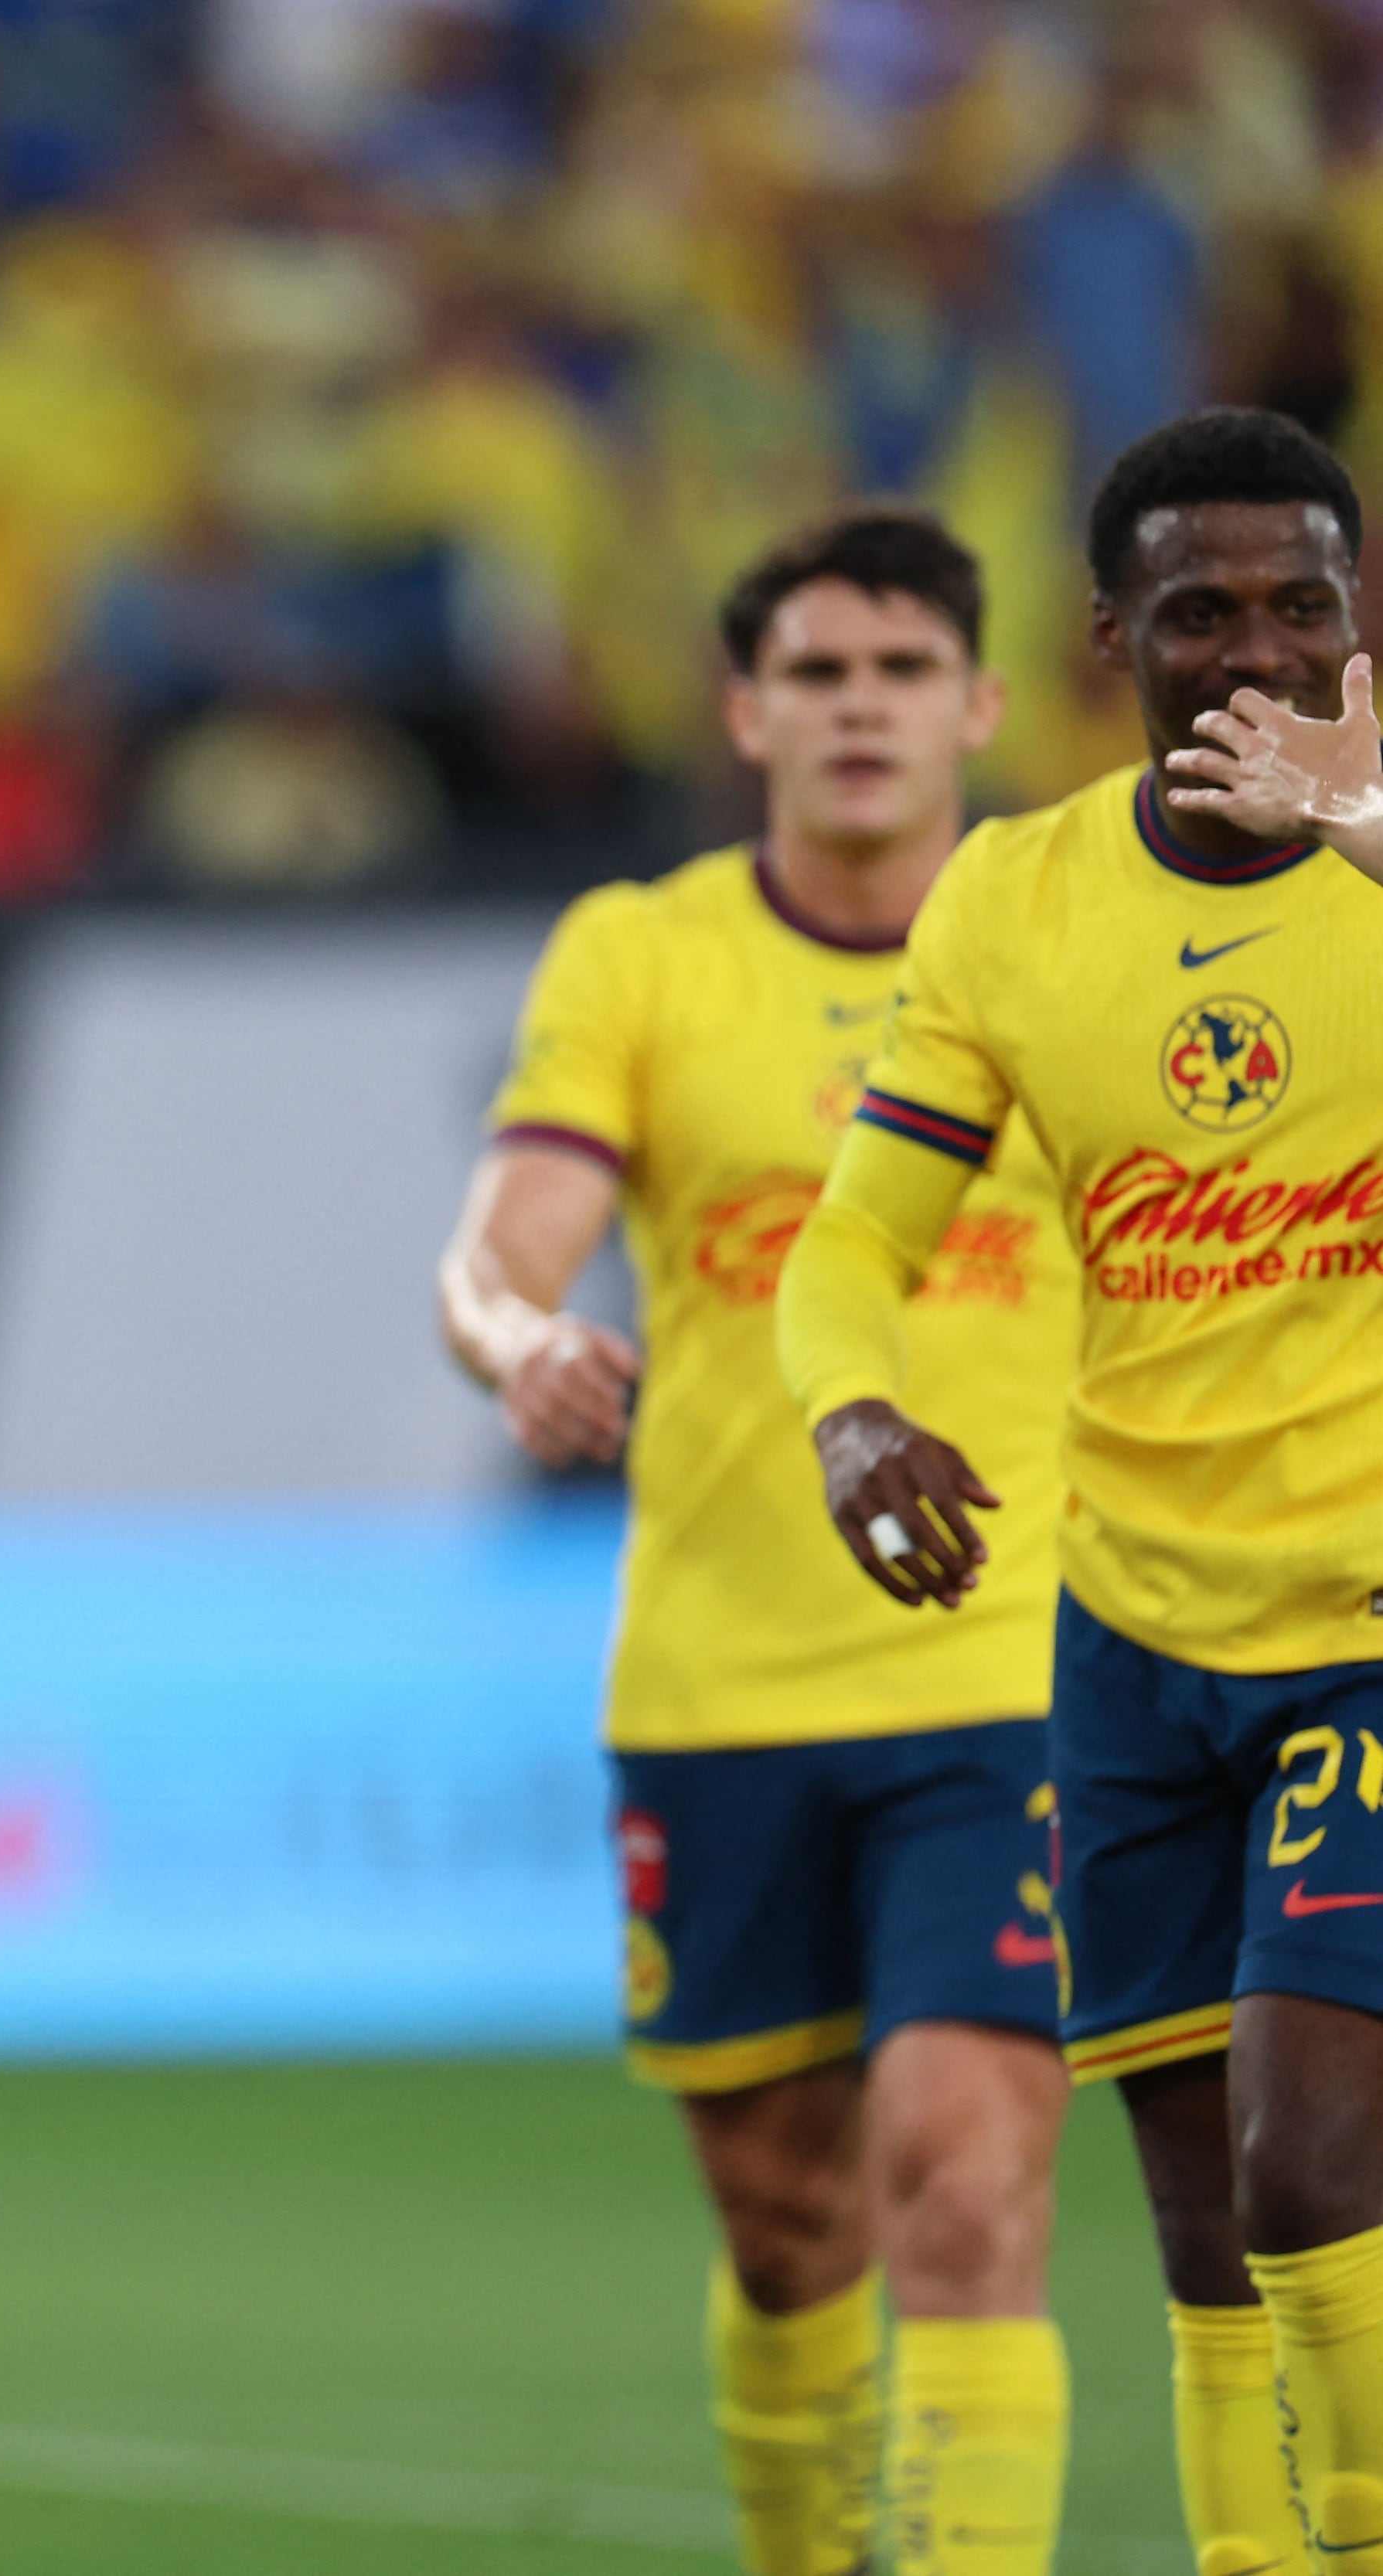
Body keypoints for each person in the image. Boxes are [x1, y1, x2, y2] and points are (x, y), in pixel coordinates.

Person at [441, 507, 1077, 2576]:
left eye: (903, 670)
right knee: (789, 2221)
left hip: (1021, 1673)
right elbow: (507, 1243)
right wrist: (522, 1337)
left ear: (980, 705)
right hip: (720, 1677)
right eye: (817, 673)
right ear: (745, 713)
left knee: (965, 2182)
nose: (862, 709)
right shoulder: (643, 951)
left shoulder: (1069, 939)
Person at [781, 406, 1383, 2576]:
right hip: (1135, 1626)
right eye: (1201, 610)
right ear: (1111, 632)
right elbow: (855, 1241)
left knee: (1320, 2156)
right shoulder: (1019, 902)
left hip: (1368, 1619)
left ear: (1356, 621)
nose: (1254, 652)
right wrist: (852, 1411)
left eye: (1301, 607)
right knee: (1207, 2216)